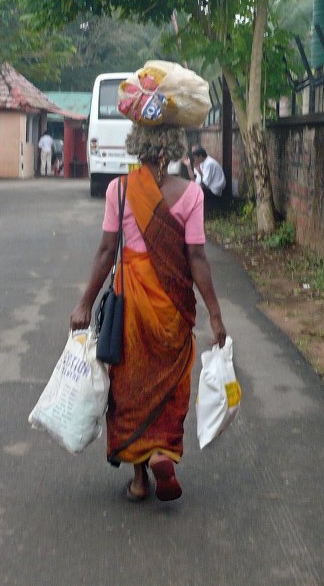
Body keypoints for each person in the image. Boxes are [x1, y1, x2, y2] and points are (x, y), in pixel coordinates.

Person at [70, 124, 226, 502]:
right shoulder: (191, 193)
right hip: (172, 307)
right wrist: (216, 316)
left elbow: (107, 251)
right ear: (172, 149)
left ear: (136, 148)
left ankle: (140, 480)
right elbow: (197, 257)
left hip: (132, 305)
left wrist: (85, 303)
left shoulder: (119, 191)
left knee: (131, 384)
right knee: (169, 383)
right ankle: (162, 451)